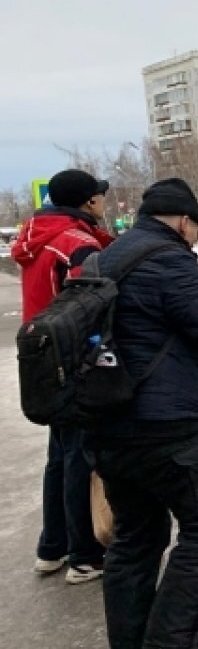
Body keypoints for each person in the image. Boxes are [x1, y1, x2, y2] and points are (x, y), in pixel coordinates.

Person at [85, 178, 198, 649]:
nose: (195, 237)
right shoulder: (169, 259)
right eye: (195, 227)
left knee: (136, 535)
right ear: (182, 221)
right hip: (165, 428)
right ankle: (173, 646)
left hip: (108, 425)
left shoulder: (104, 258)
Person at [12, 169, 114, 584]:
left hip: (40, 359)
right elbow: (88, 306)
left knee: (59, 457)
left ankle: (51, 549)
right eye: (100, 197)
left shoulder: (35, 237)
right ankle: (84, 556)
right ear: (88, 202)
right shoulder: (76, 245)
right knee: (80, 458)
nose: (104, 203)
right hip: (71, 361)